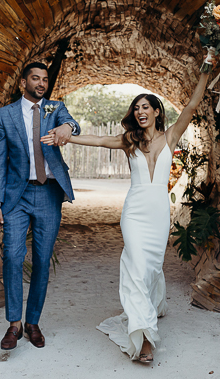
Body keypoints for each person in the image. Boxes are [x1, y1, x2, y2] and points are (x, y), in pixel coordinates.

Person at [42, 69, 210, 363]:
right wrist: (66, 136)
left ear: (157, 112)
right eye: (136, 107)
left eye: (146, 107)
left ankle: (150, 308)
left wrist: (207, 71)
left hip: (158, 213)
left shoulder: (171, 136)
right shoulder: (129, 140)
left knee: (150, 268)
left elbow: (193, 105)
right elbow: (98, 140)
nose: (140, 111)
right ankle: (144, 337)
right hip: (134, 212)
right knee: (134, 267)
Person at [0, 62, 81, 351]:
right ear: (23, 82)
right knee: (13, 257)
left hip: (49, 194)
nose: (41, 83)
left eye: (45, 79)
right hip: (16, 196)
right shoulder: (5, 115)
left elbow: (72, 123)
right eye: (35, 78)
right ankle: (14, 324)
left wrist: (67, 126)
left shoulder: (55, 108)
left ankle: (33, 323)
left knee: (42, 260)